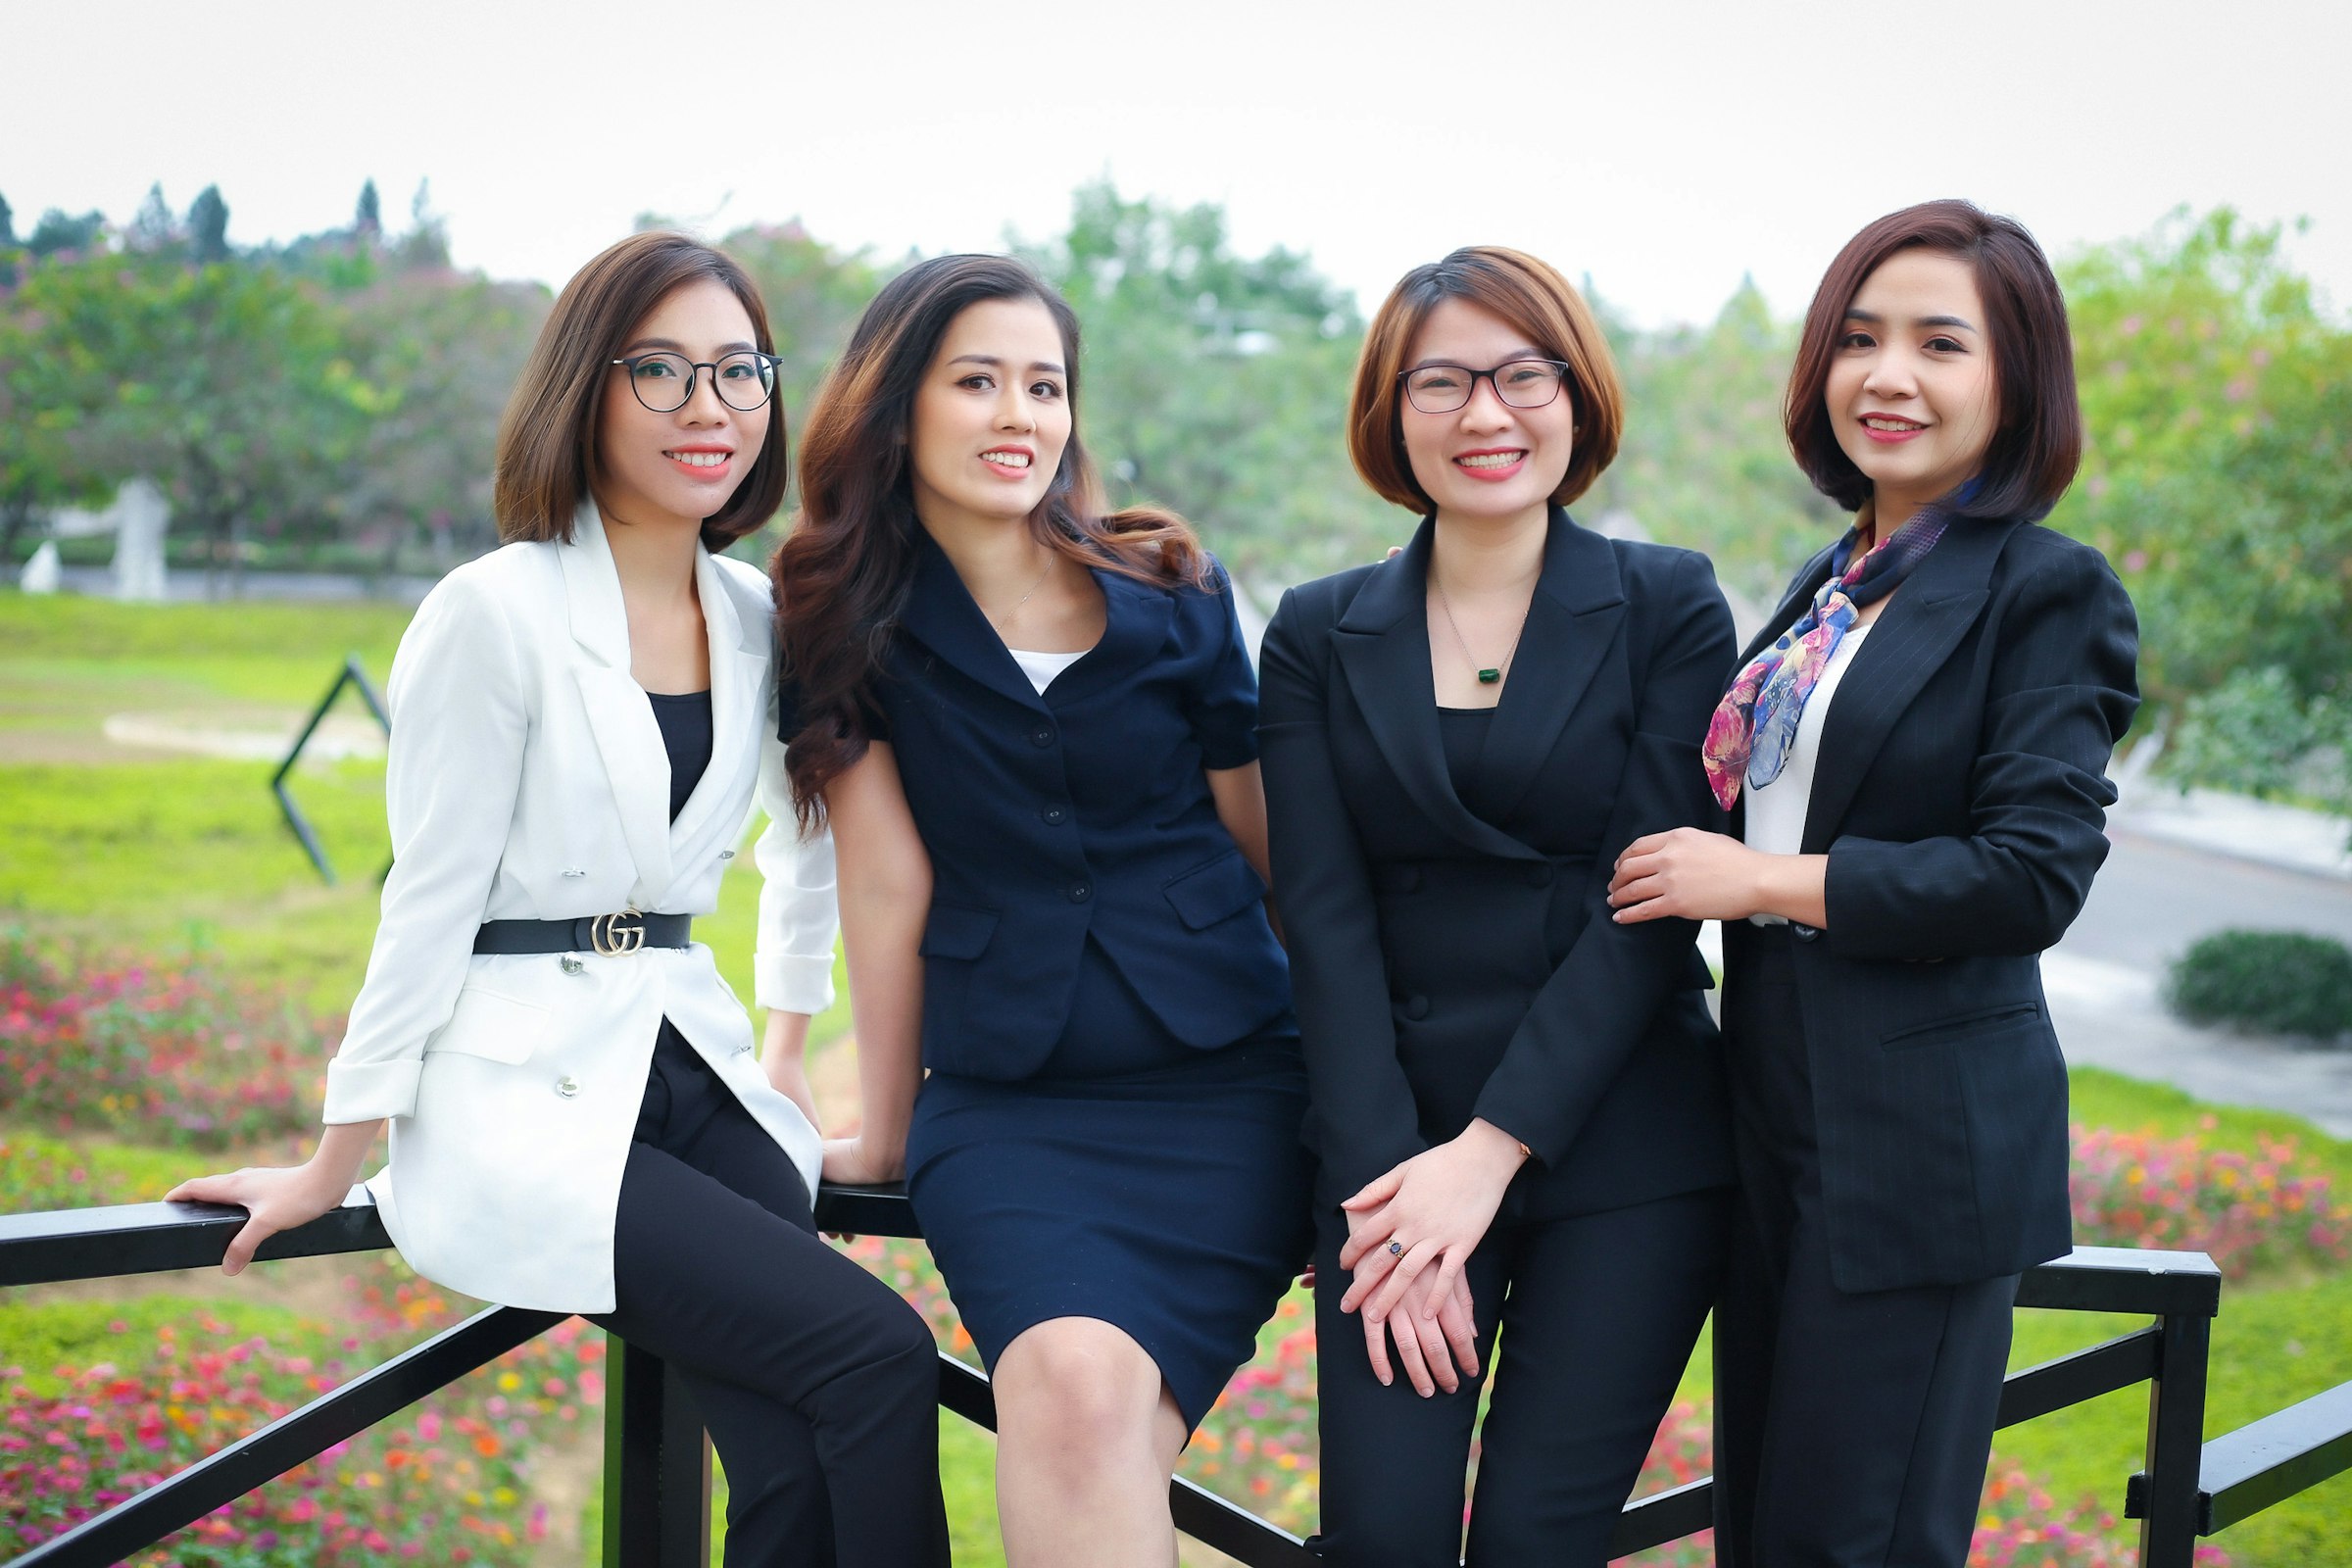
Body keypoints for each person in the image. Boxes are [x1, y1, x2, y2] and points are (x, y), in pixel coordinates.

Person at [169, 230, 950, 1568]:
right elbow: (428, 900)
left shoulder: (754, 613)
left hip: (689, 1061)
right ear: (586, 389)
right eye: (661, 370)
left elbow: (808, 839)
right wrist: (336, 1159)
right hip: (522, 1088)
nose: (708, 408)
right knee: (879, 1353)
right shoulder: (494, 613)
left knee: (793, 1455)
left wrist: (785, 1045)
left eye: (739, 371)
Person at [1607, 199, 2140, 1567]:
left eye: (1939, 344)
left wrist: (1761, 881)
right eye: (1858, 339)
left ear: (2015, 380)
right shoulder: (1837, 582)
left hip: (1914, 1156)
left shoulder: (2046, 591)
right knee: (1763, 1536)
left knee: (1858, 1542)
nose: (1887, 375)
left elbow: (2029, 877)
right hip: (1773, 1123)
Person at [770, 253, 1313, 1568]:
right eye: (978, 382)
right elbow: (887, 885)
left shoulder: (1170, 584)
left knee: (1099, 1422)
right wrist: (884, 1129)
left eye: (1045, 386)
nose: (1020, 416)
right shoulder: (840, 617)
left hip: (1233, 1085)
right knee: (1071, 1392)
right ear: (897, 405)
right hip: (1012, 1102)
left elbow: (1278, 857)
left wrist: (1365, 1100)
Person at [1256, 246, 1736, 1566]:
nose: (1486, 414)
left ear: (1576, 398)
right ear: (1390, 411)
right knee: (1384, 1537)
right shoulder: (1315, 630)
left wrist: (1490, 1153)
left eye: (1524, 376)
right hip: (1392, 1146)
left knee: (1538, 1541)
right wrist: (1385, 1191)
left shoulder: (1669, 604)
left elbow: (1650, 905)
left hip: (1624, 1136)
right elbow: (1323, 919)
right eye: (1443, 383)